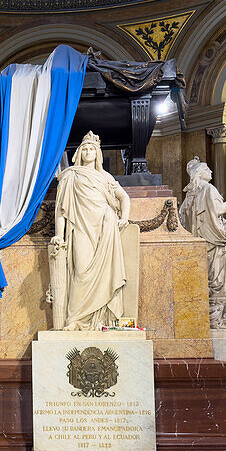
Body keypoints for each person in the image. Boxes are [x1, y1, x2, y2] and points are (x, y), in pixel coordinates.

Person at [50, 131, 131, 330]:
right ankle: (75, 320)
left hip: (105, 227)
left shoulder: (105, 177)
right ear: (78, 153)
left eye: (92, 149)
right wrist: (59, 235)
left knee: (105, 274)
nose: (88, 152)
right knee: (81, 271)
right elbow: (61, 209)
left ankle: (100, 320)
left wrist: (124, 218)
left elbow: (124, 197)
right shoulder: (71, 175)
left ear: (98, 154)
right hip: (81, 227)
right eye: (84, 148)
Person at [178, 157, 226, 328]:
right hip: (216, 242)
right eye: (207, 169)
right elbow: (219, 210)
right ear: (199, 173)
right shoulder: (209, 189)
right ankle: (221, 319)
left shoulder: (190, 195)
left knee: (210, 279)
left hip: (201, 244)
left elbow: (182, 219)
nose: (211, 171)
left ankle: (213, 318)